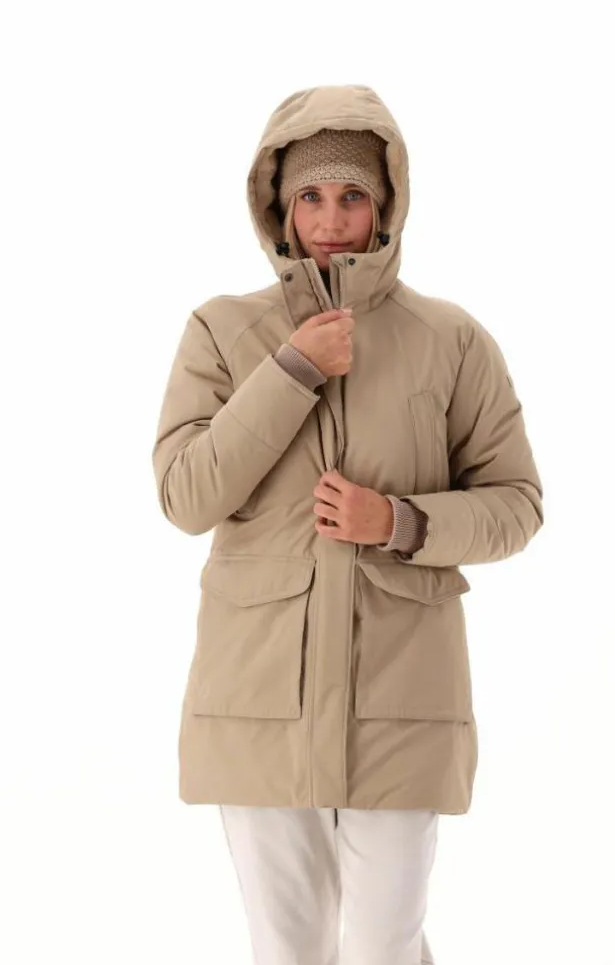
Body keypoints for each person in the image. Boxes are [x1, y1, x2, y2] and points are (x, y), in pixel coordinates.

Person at [151, 84, 544, 965]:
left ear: (387, 203)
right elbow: (185, 495)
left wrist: (400, 521)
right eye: (311, 197)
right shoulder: (221, 331)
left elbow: (516, 503)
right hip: (258, 695)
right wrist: (292, 368)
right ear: (280, 209)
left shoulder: (451, 340)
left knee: (381, 945)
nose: (331, 221)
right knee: (288, 948)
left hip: (402, 693)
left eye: (353, 195)